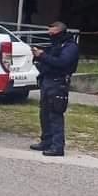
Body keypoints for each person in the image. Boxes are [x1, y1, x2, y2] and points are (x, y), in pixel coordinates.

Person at [30, 21, 79, 157]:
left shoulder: (70, 47)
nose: (50, 35)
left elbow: (62, 63)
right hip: (47, 81)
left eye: (53, 33)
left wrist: (42, 55)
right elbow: (49, 61)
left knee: (55, 114)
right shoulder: (55, 45)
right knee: (44, 113)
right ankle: (46, 141)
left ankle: (57, 147)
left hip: (58, 82)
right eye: (49, 33)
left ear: (61, 32)